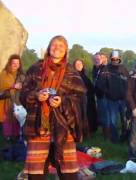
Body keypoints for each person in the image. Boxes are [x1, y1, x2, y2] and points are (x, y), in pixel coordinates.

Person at [20, 35, 87, 180]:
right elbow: (23, 94)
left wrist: (62, 101)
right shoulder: (35, 69)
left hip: (63, 125)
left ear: (66, 51)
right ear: (49, 47)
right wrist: (36, 95)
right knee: (36, 172)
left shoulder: (71, 72)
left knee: (68, 172)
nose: (57, 48)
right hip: (38, 124)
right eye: (54, 45)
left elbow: (80, 98)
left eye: (61, 46)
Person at [96, 50, 129, 143]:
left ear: (119, 59)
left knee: (125, 120)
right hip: (111, 100)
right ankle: (114, 139)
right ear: (111, 59)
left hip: (123, 100)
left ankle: (125, 136)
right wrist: (109, 93)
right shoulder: (106, 69)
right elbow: (100, 85)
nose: (115, 60)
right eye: (113, 59)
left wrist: (126, 94)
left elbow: (129, 82)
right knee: (112, 121)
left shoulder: (123, 69)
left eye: (117, 59)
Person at [0, 54, 25, 142]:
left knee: (17, 127)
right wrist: (13, 86)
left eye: (17, 63)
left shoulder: (21, 75)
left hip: (17, 104)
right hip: (6, 104)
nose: (15, 65)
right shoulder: (4, 74)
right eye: (13, 63)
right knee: (6, 128)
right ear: (9, 64)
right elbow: (2, 87)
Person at [73, 59, 98, 135]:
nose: (79, 65)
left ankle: (88, 131)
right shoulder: (73, 76)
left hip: (88, 100)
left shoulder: (84, 75)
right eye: (77, 64)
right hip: (78, 101)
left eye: (80, 64)